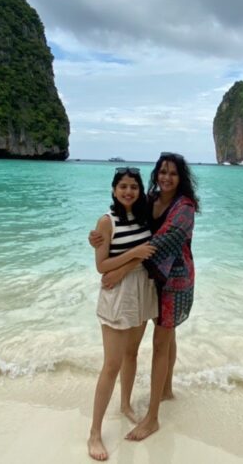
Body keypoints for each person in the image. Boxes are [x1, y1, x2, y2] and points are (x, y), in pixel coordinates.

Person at [92, 152, 200, 441]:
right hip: (149, 280)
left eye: (173, 173)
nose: (167, 177)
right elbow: (126, 229)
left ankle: (152, 418)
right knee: (167, 338)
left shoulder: (184, 208)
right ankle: (166, 390)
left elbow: (158, 245)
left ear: (181, 177)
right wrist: (97, 239)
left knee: (162, 341)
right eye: (162, 172)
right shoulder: (150, 199)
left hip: (174, 280)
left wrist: (119, 270)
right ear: (155, 174)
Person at [87, 167, 159, 461]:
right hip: (118, 295)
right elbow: (101, 267)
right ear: (114, 190)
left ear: (141, 191)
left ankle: (126, 404)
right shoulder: (106, 221)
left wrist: (130, 263)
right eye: (123, 186)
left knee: (132, 354)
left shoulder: (144, 217)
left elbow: (148, 253)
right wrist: (134, 254)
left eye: (134, 187)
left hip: (142, 289)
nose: (129, 191)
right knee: (111, 364)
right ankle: (94, 433)